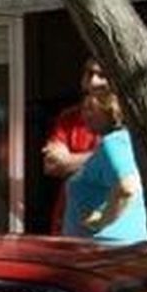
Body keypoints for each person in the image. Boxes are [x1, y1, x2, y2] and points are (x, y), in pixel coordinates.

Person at [62, 89, 147, 245]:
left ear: (111, 111)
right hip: (111, 249)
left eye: (90, 109)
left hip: (107, 250)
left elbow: (128, 187)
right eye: (83, 109)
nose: (84, 115)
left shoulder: (114, 143)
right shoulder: (128, 142)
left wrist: (101, 221)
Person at [42, 59, 111, 232]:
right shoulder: (69, 117)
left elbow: (123, 165)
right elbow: (51, 165)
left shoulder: (126, 120)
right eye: (89, 74)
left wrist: (69, 160)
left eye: (102, 75)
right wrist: (100, 157)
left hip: (108, 218)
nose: (94, 81)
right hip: (68, 217)